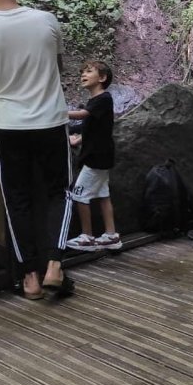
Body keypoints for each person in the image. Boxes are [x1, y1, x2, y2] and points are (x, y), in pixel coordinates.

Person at [0, 0, 75, 299]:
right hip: (50, 120)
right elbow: (58, 67)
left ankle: (30, 277)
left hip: (6, 124)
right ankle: (55, 265)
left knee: (16, 198)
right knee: (61, 192)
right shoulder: (46, 20)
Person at [64, 61, 123, 252]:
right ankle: (111, 235)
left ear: (102, 78)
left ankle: (87, 237)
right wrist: (78, 140)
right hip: (102, 156)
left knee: (79, 195)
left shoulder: (103, 98)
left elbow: (82, 115)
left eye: (89, 71)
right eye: (82, 72)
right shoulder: (98, 101)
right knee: (103, 195)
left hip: (96, 158)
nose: (83, 74)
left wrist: (58, 112)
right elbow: (97, 128)